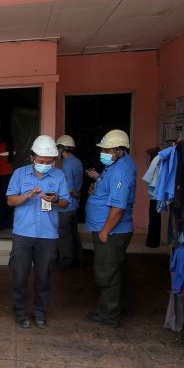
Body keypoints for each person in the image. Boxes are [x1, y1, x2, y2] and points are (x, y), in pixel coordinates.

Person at [5, 135, 70, 329]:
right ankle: (21, 313)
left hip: (48, 236)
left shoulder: (59, 176)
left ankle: (41, 313)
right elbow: (10, 201)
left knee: (44, 277)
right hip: (23, 234)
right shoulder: (19, 174)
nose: (45, 164)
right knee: (20, 275)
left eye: (49, 162)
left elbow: (66, 203)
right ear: (32, 157)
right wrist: (27, 196)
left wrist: (56, 199)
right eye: (41, 161)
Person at [84, 129, 136, 328]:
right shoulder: (119, 164)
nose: (103, 153)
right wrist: (97, 187)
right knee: (117, 269)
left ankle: (109, 315)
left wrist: (105, 231)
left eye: (107, 149)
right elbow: (110, 188)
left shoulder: (120, 170)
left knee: (106, 271)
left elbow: (118, 208)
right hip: (113, 229)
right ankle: (123, 307)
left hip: (112, 231)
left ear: (120, 150)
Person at [55, 134, 84, 268]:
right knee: (73, 233)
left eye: (58, 148)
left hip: (66, 206)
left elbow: (69, 187)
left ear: (62, 148)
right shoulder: (77, 161)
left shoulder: (67, 164)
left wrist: (73, 193)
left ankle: (66, 261)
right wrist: (77, 195)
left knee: (64, 235)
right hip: (74, 205)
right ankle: (79, 258)